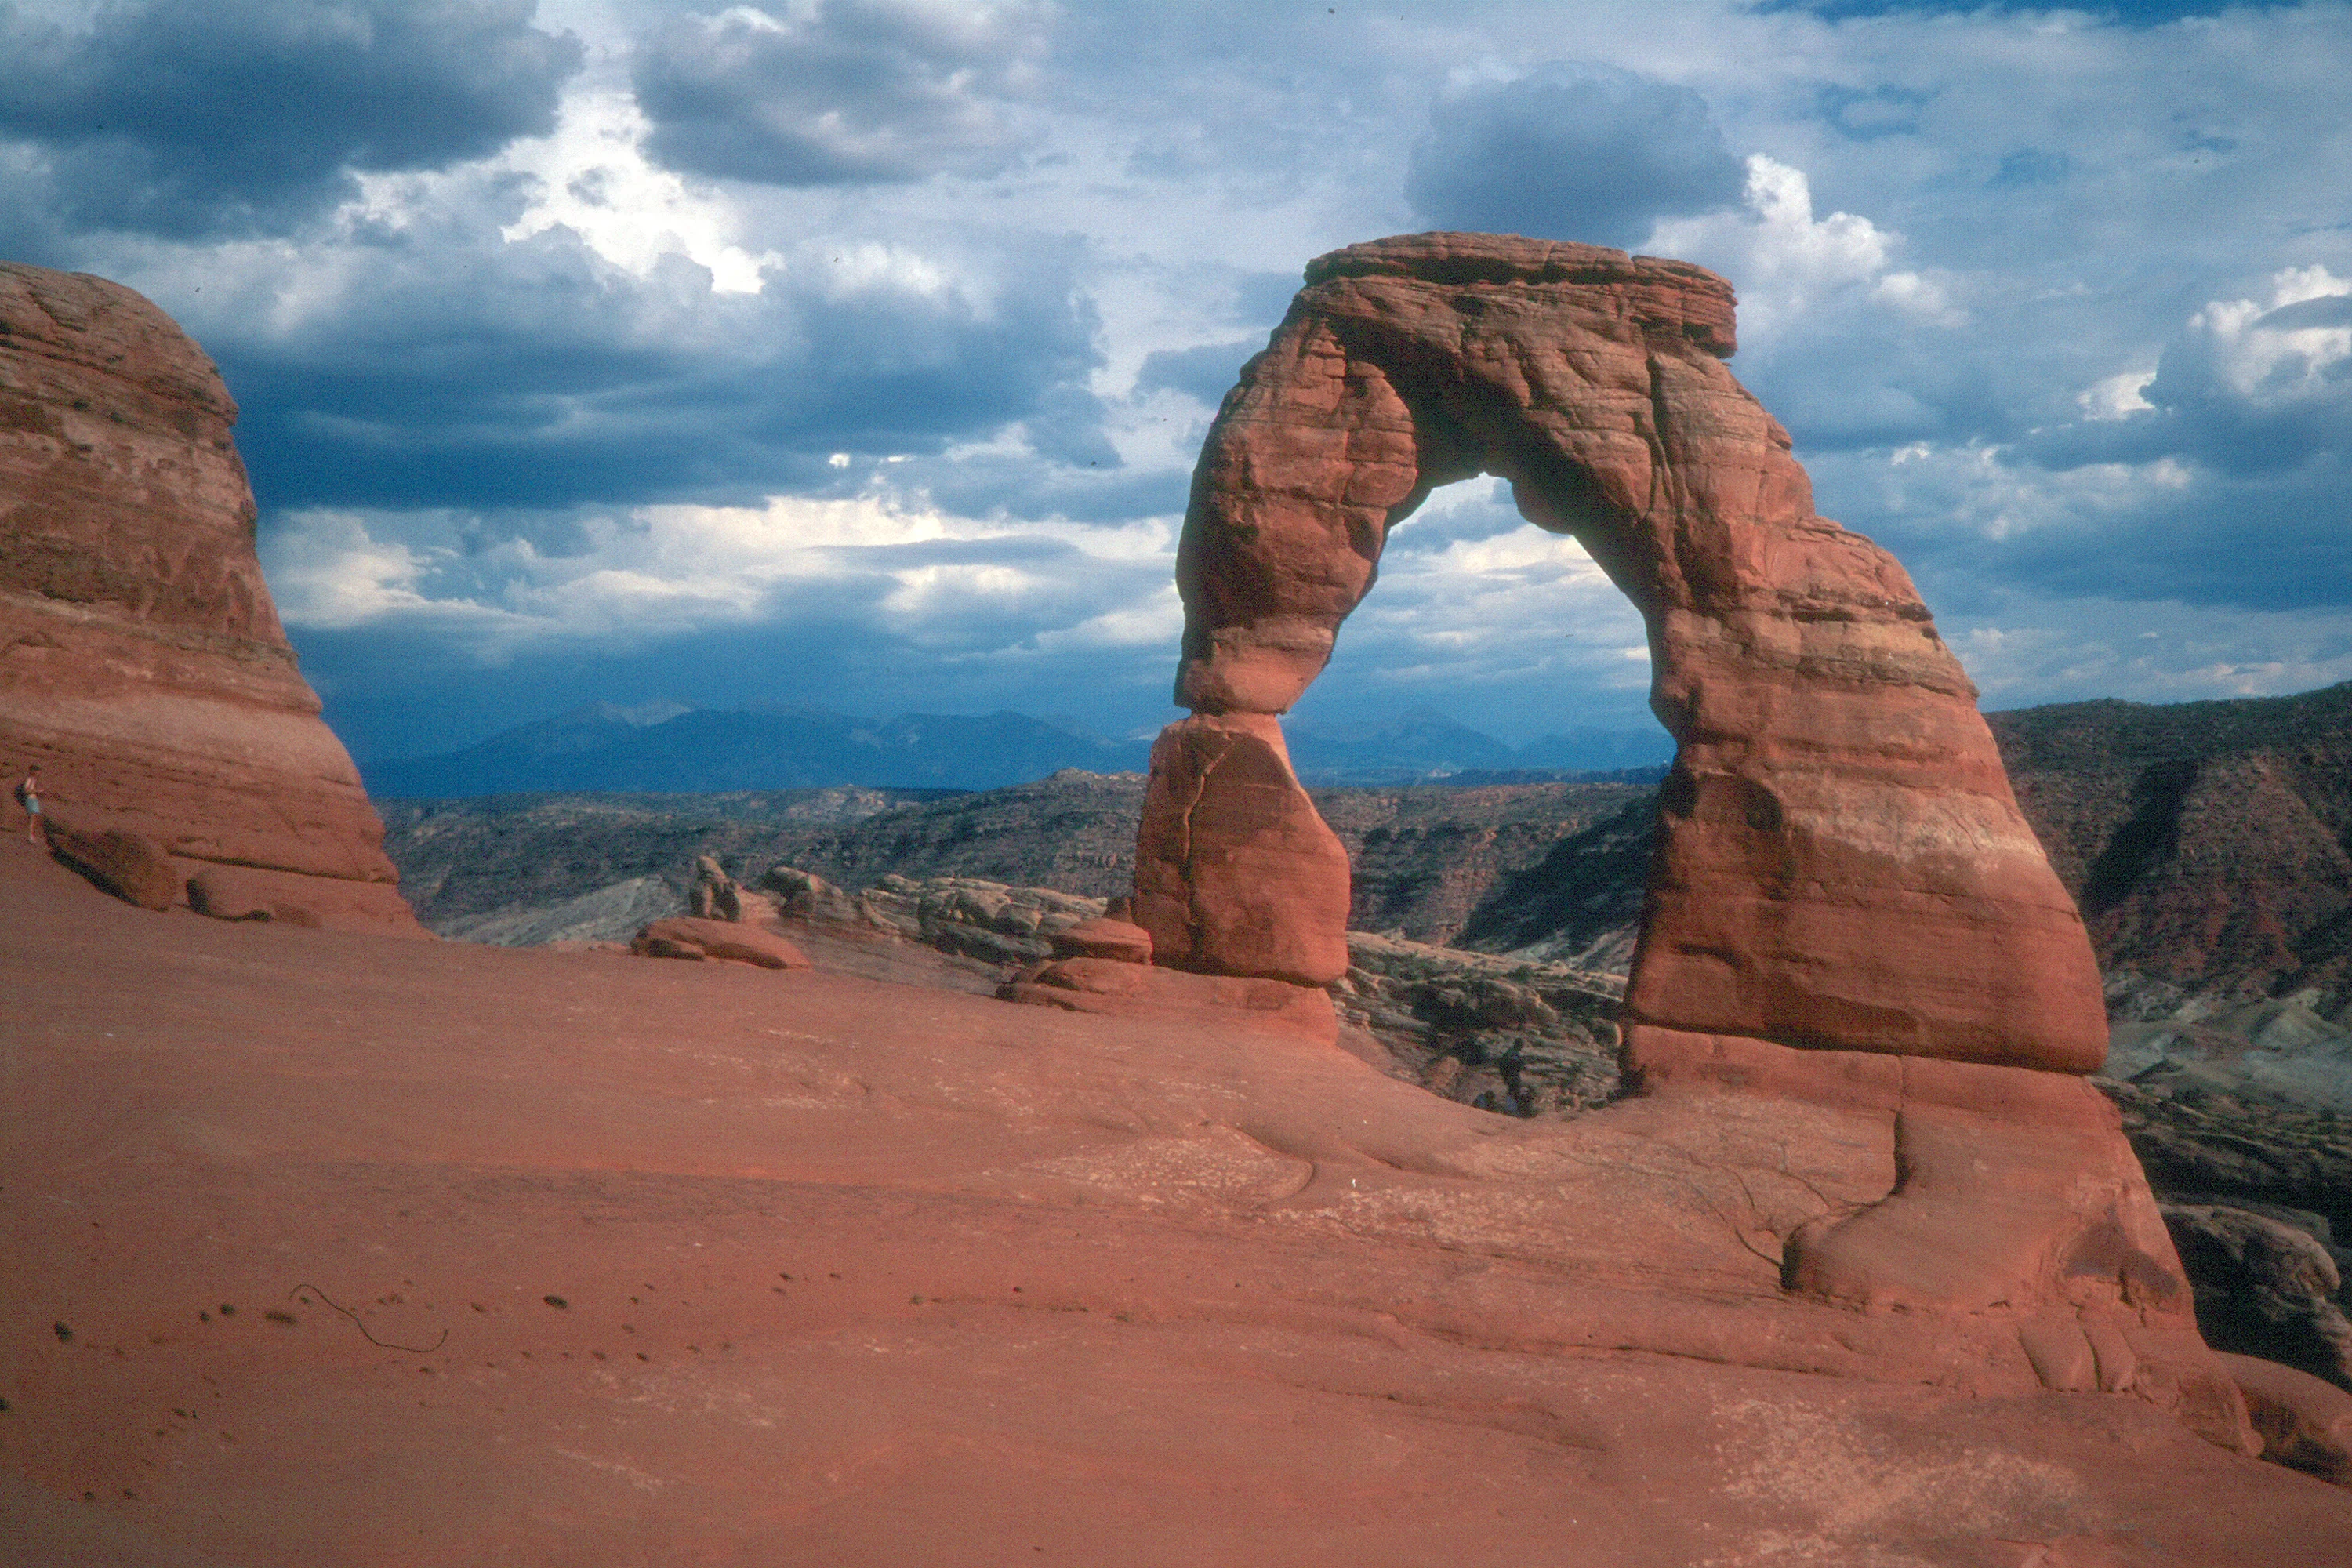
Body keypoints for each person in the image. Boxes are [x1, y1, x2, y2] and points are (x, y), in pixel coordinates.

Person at [14, 764, 42, 846]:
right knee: (33, 818)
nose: (39, 773)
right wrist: (37, 792)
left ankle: (32, 835)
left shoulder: (33, 779)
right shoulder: (30, 779)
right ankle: (31, 836)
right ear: (34, 772)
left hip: (33, 799)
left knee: (34, 818)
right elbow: (26, 791)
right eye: (38, 771)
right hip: (31, 799)